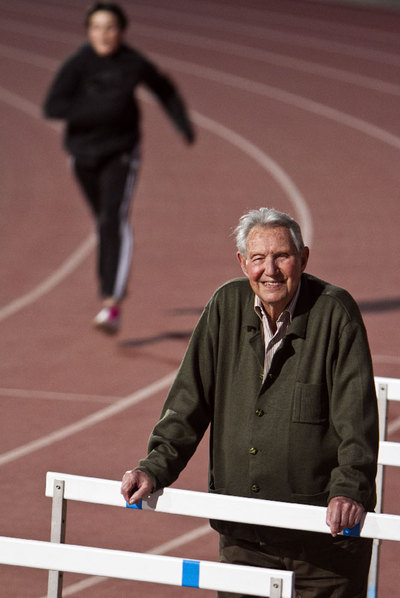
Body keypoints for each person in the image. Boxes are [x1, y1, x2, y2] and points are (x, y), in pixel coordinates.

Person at [121, 207, 379, 597]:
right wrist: (154, 467)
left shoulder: (335, 313)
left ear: (303, 258)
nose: (270, 270)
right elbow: (189, 401)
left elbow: (357, 418)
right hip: (244, 539)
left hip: (323, 545)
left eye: (282, 256)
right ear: (243, 263)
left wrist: (350, 490)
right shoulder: (225, 306)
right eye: (258, 258)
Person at [43, 1, 195, 334]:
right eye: (96, 27)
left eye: (110, 27)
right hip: (82, 155)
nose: (104, 34)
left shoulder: (132, 63)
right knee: (102, 222)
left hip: (121, 153)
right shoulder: (78, 64)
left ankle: (111, 303)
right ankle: (108, 290)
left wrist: (182, 123)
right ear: (88, 31)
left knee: (114, 219)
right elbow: (53, 106)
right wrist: (97, 109)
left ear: (121, 31)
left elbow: (164, 89)